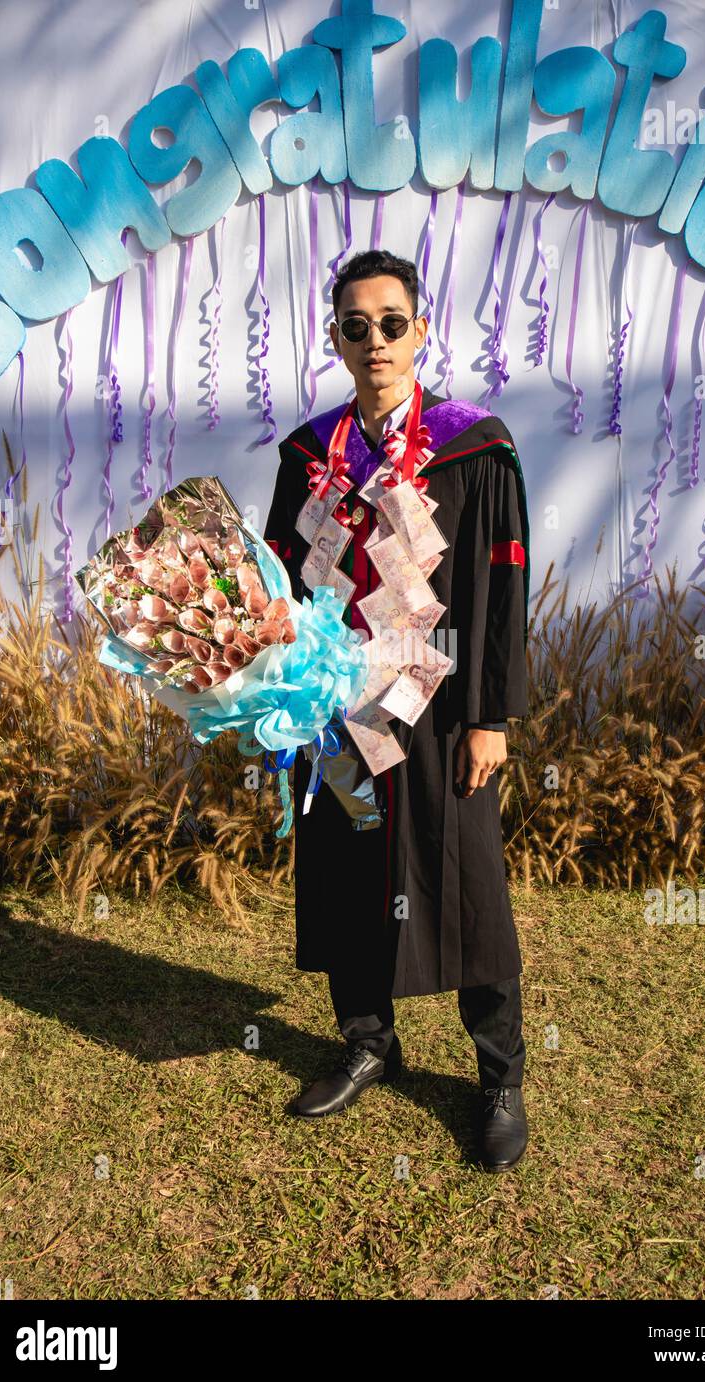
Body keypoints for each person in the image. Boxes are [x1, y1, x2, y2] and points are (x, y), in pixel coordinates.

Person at [264, 249, 531, 1171]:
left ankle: (498, 1078)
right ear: (334, 337)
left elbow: (502, 591)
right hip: (337, 708)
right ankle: (368, 1041)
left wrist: (491, 715)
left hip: (441, 702)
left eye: (389, 322)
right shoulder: (308, 455)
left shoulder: (473, 448)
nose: (372, 340)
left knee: (467, 885)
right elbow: (280, 587)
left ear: (419, 330)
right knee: (346, 870)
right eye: (353, 324)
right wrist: (260, 673)